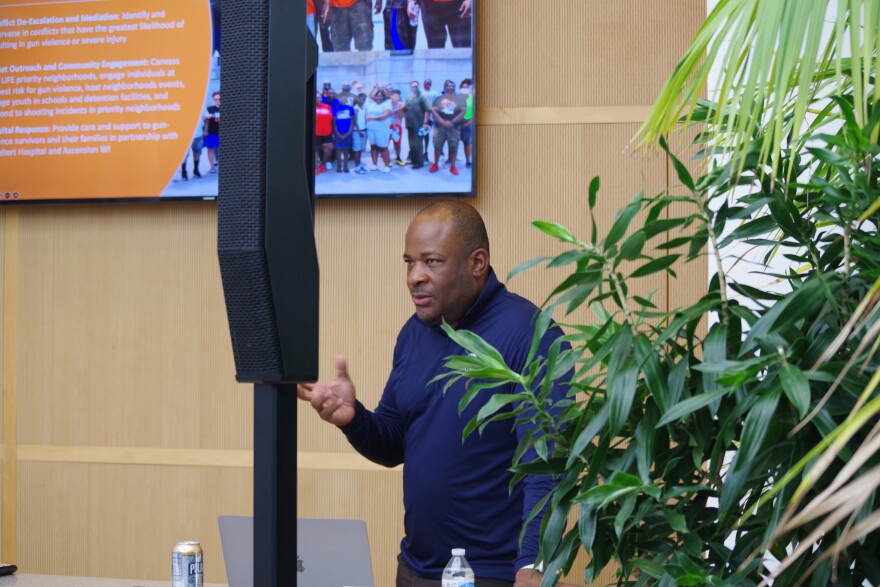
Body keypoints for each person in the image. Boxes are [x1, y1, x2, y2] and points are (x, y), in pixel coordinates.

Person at [298, 202, 577, 587]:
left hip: (495, 574)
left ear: (477, 262)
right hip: (416, 570)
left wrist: (536, 564)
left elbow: (546, 465)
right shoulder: (414, 333)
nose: (415, 277)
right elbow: (394, 443)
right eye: (409, 262)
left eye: (431, 262)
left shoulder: (532, 335)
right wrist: (354, 419)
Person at [430, 80, 466, 175]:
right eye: (448, 86)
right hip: (440, 127)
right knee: (437, 146)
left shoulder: (460, 99)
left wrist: (452, 122)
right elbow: (433, 110)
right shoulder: (439, 99)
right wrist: (442, 121)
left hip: (454, 127)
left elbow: (463, 111)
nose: (450, 87)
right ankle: (435, 164)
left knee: (453, 147)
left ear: (455, 87)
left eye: (452, 86)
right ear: (445, 88)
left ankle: (453, 166)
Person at [365, 85, 394, 173]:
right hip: (371, 129)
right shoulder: (373, 102)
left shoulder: (387, 103)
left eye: (381, 95)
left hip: (382, 130)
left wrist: (371, 118)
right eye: (377, 95)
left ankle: (387, 165)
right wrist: (374, 88)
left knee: (383, 148)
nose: (379, 97)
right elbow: (369, 95)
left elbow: (385, 115)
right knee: (373, 147)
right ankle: (374, 164)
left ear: (384, 96)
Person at [404, 80, 431, 169]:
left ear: (419, 87)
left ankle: (420, 162)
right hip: (410, 125)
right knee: (411, 143)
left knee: (418, 144)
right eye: (413, 86)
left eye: (416, 86)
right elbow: (406, 111)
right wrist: (406, 123)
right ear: (410, 87)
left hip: (419, 125)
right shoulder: (408, 98)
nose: (414, 88)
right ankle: (413, 160)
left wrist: (425, 123)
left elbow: (427, 110)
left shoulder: (423, 96)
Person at [333, 95, 355, 173]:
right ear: (339, 100)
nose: (343, 99)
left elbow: (352, 122)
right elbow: (334, 123)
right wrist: (337, 133)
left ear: (346, 100)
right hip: (338, 133)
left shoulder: (350, 108)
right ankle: (339, 166)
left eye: (344, 98)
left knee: (346, 150)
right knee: (338, 150)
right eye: (341, 98)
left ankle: (345, 166)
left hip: (347, 133)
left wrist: (348, 133)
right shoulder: (335, 108)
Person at [315, 91, 335, 174]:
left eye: (320, 98)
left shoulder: (327, 107)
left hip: (327, 133)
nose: (318, 99)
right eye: (316, 98)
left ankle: (322, 164)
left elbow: (332, 120)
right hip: (315, 134)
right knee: (315, 151)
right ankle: (316, 167)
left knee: (328, 150)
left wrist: (333, 132)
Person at [202, 91, 220, 174]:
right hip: (212, 133)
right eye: (216, 99)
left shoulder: (228, 108)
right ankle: (212, 167)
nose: (218, 101)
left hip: (224, 134)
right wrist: (206, 117)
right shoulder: (209, 109)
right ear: (213, 100)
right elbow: (204, 120)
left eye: (219, 99)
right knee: (211, 149)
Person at [421, 78, 439, 158]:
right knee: (420, 135)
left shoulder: (434, 93)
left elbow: (437, 103)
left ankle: (426, 152)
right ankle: (419, 152)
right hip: (420, 117)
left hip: (430, 118)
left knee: (426, 135)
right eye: (426, 82)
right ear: (424, 83)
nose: (428, 84)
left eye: (429, 83)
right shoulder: (420, 92)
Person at [388, 89, 407, 166]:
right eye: (394, 96)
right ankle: (387, 160)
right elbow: (389, 113)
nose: (396, 98)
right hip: (387, 125)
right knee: (386, 143)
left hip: (397, 126)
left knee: (397, 143)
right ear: (391, 96)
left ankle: (398, 158)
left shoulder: (401, 104)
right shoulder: (387, 104)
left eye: (398, 97)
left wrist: (395, 124)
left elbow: (399, 114)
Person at [352, 92, 369, 174]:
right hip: (357, 132)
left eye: (364, 99)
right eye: (362, 99)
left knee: (361, 149)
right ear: (358, 99)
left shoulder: (364, 108)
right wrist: (359, 131)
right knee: (357, 149)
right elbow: (354, 121)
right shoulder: (356, 108)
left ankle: (359, 164)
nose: (363, 101)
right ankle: (357, 167)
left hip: (364, 130)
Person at [459, 78, 474, 169]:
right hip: (458, 123)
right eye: (463, 87)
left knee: (467, 143)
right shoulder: (457, 98)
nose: (465, 88)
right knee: (454, 143)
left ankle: (468, 160)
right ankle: (451, 160)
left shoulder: (472, 98)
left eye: (467, 87)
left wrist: (469, 122)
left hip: (468, 123)